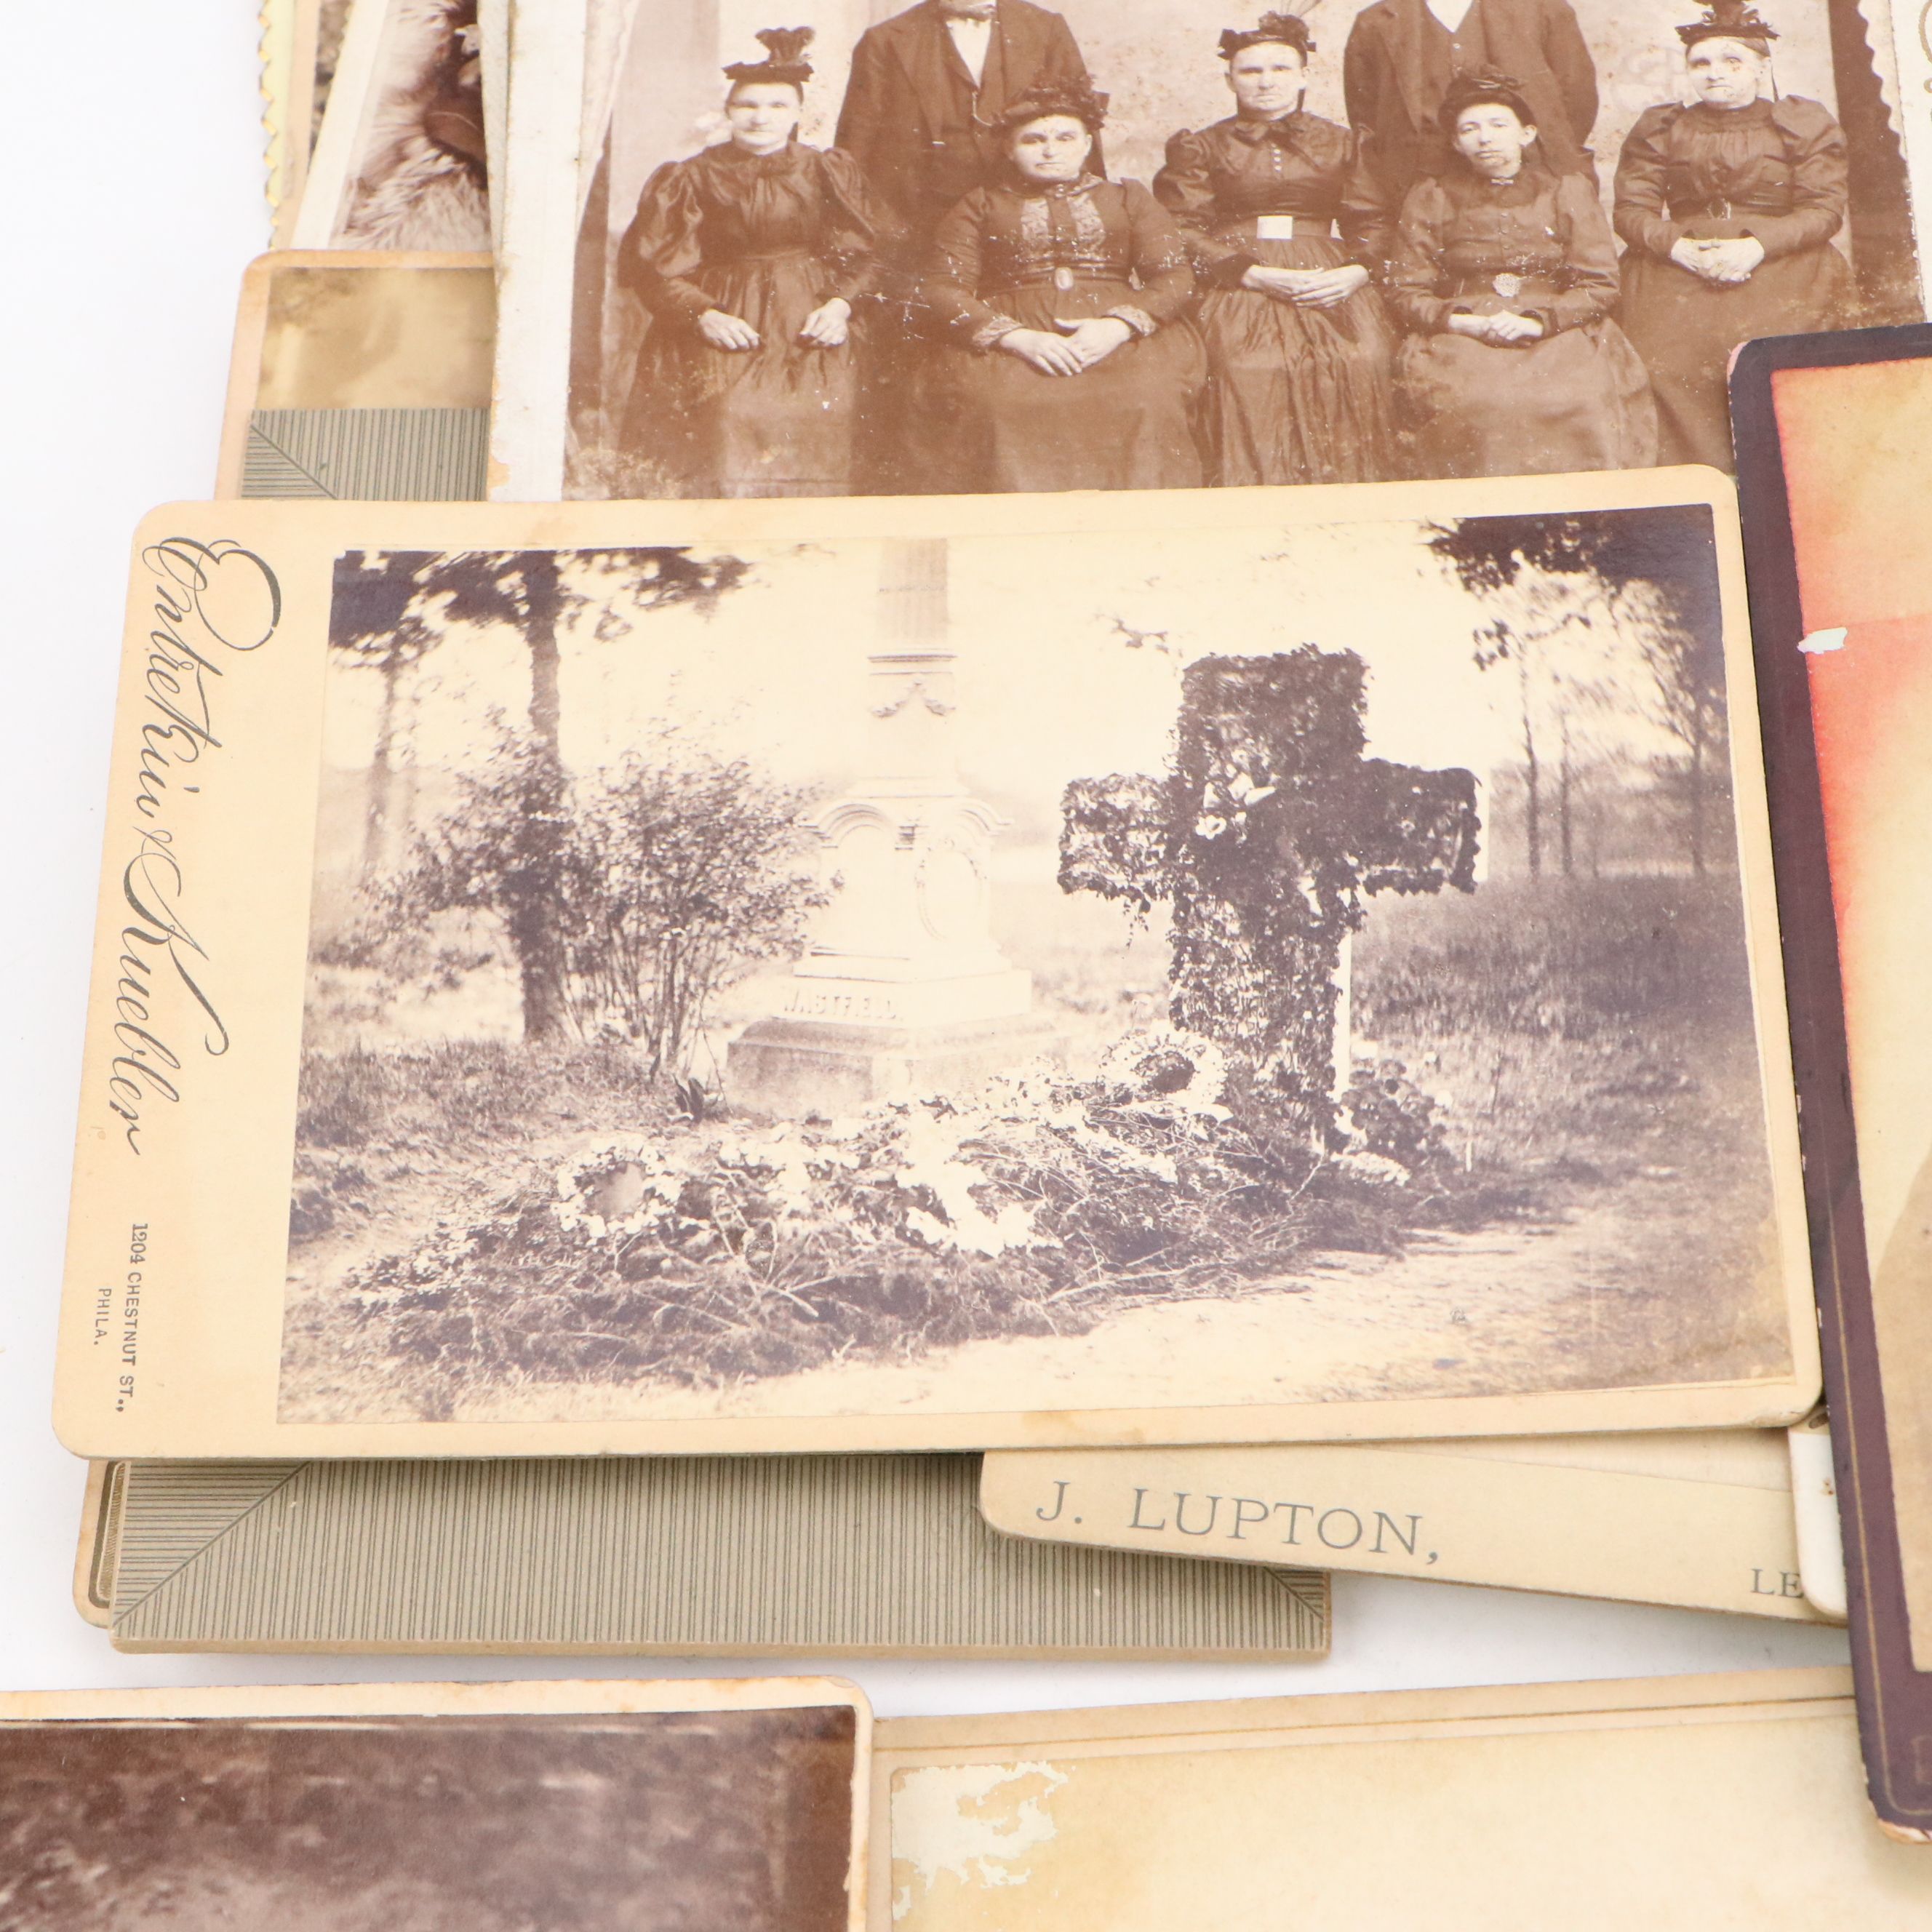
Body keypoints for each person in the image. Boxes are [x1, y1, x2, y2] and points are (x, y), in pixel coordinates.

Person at [613, 29, 881, 498]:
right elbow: (654, 268)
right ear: (729, 111)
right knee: (726, 416)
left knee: (829, 409)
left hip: (809, 306)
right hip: (722, 307)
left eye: (778, 107)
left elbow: (867, 253)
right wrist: (703, 314)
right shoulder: (689, 177)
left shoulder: (826, 171)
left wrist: (841, 307)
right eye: (748, 106)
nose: (761, 118)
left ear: (799, 114)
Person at [920, 86, 1207, 492]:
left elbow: (1174, 277)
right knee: (998, 405)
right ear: (1008, 150)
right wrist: (1019, 339)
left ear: (1088, 144)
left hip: (1118, 336)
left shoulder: (1128, 198)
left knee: (1148, 397)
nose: (1050, 150)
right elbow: (943, 288)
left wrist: (1117, 328)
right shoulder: (980, 204)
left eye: (1065, 138)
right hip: (1015, 338)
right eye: (1033, 140)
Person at [1154, 12, 1396, 485]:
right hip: (1240, 275)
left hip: (1328, 271)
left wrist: (1356, 273)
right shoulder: (1201, 147)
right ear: (1230, 79)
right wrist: (1251, 273)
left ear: (1304, 75)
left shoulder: (1344, 143)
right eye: (1251, 71)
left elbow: (1373, 220)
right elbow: (1179, 227)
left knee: (1360, 357)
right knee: (1240, 364)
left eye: (1281, 69)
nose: (1266, 82)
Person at [1614, 0, 1852, 468]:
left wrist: (1756, 248)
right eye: (1700, 63)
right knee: (1664, 364)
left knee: (1771, 365)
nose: (1714, 73)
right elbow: (1630, 212)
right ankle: (1698, 487)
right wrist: (1678, 248)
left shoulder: (1801, 122)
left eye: (1732, 61)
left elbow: (1824, 210)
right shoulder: (1661, 126)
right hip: (1678, 267)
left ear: (1761, 67)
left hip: (1780, 263)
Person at [1388, 71, 1655, 476]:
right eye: (1470, 129)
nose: (1485, 138)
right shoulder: (1432, 195)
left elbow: (1600, 284)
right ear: (1457, 143)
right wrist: (1462, 322)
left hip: (1554, 324)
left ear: (1527, 134)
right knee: (1473, 401)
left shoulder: (1566, 190)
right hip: (1464, 328)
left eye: (1499, 126)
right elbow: (1407, 288)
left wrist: (1537, 322)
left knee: (1577, 396)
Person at [835, 0, 1101, 265]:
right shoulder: (884, 40)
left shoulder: (1046, 28)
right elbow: (855, 146)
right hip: (919, 224)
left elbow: (1081, 126)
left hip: (1023, 219)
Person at [1343, 0, 1597, 267]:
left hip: (1530, 189)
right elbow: (1366, 119)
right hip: (1422, 195)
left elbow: (1576, 105)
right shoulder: (1374, 22)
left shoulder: (1544, 8)